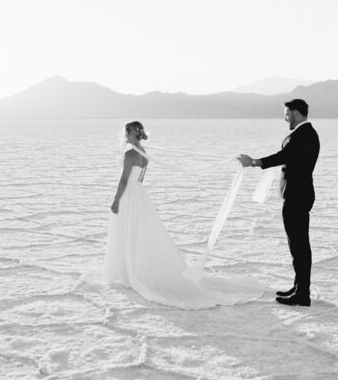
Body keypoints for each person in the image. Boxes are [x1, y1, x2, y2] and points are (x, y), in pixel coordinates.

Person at [104, 121, 264, 309]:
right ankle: (133, 268)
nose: (125, 136)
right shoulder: (142, 151)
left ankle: (129, 271)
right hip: (139, 194)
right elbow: (140, 177)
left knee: (128, 231)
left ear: (131, 133)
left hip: (129, 196)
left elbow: (124, 180)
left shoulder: (131, 153)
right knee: (139, 232)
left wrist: (116, 201)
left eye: (127, 133)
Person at [238, 99, 319, 306]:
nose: (285, 118)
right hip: (296, 195)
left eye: (287, 114)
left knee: (299, 245)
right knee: (297, 245)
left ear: (297, 114)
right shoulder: (304, 133)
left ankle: (302, 295)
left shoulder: (304, 135)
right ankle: (299, 287)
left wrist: (255, 162)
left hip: (298, 196)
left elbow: (284, 156)